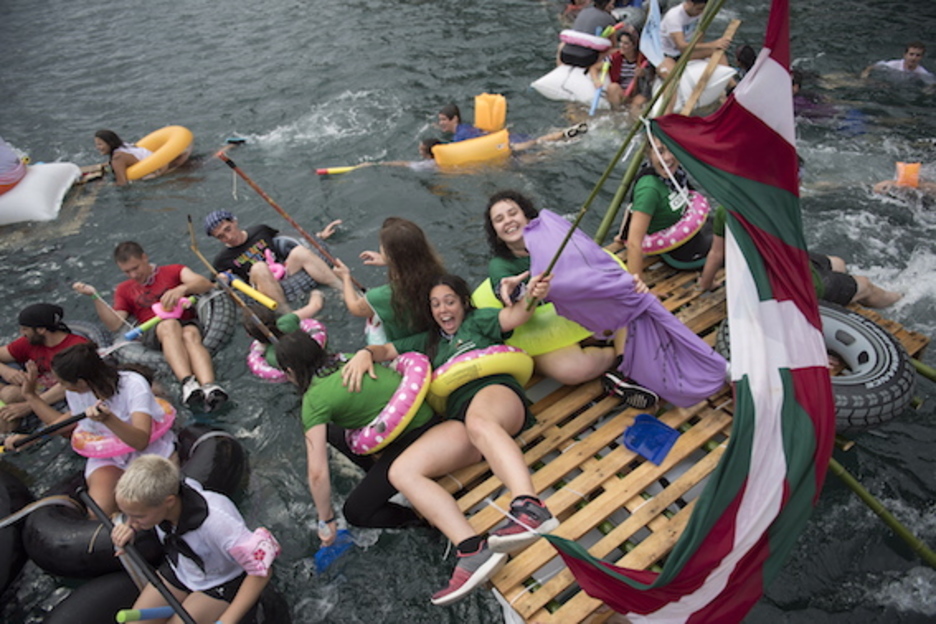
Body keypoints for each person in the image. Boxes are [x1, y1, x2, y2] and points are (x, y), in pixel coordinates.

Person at [341, 274, 560, 606]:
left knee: (479, 421)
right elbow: (385, 349)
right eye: (436, 304)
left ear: (463, 302)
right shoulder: (427, 341)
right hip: (462, 418)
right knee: (401, 471)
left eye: (450, 301)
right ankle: (472, 549)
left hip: (497, 397)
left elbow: (515, 316)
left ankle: (531, 506)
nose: (444, 309)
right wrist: (364, 354)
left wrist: (531, 296)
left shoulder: (479, 321)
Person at [484, 190, 658, 407]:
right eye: (499, 219)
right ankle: (624, 355)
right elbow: (510, 297)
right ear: (495, 232)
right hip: (543, 332)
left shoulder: (554, 239)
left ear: (526, 216)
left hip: (579, 314)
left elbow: (592, 270)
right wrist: (524, 291)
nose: (508, 221)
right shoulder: (500, 266)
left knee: (631, 300)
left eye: (512, 213)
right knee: (573, 370)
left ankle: (625, 374)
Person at [275, 331, 441, 538]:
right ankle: (377, 474)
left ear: (290, 371)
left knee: (356, 512)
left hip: (410, 444)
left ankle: (424, 522)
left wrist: (325, 519)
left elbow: (317, 473)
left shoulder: (313, 401)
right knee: (329, 430)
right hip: (430, 420)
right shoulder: (351, 358)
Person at [3, 343, 177, 516]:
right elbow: (67, 422)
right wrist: (32, 429)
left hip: (150, 452)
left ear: (81, 382)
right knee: (99, 511)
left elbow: (141, 441)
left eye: (63, 383)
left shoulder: (133, 386)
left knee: (144, 504)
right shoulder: (77, 392)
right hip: (108, 455)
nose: (61, 387)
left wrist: (108, 420)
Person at [111, 455, 277, 624]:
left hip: (222, 581)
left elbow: (262, 571)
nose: (131, 521)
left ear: (169, 502)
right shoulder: (164, 502)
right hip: (182, 570)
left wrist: (227, 620)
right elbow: (138, 517)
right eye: (128, 516)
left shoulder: (218, 523)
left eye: (138, 517)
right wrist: (131, 528)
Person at [73, 241, 227, 411]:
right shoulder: (124, 289)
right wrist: (95, 297)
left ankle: (209, 387)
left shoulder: (174, 270)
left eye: (136, 268)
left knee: (190, 334)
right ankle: (188, 383)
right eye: (127, 271)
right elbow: (115, 324)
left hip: (186, 323)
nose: (133, 275)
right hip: (155, 331)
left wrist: (181, 289)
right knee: (169, 325)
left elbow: (205, 284)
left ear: (144, 258)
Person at [699, 205, 902, 308]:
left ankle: (847, 293)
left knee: (838, 263)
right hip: (795, 286)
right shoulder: (778, 208)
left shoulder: (727, 208)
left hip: (782, 269)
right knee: (866, 286)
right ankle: (901, 298)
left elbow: (716, 253)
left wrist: (706, 284)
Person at [616, 135, 713, 283]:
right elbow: (634, 243)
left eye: (671, 149)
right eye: (660, 151)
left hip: (694, 234)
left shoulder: (675, 174)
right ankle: (708, 283)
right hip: (680, 253)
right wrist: (640, 292)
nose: (668, 158)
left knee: (733, 223)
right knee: (737, 244)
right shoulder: (649, 190)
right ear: (649, 153)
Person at [335, 217, 446, 344]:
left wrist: (345, 278)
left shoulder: (382, 296)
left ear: (392, 256)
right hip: (435, 333)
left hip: (404, 344)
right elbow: (411, 263)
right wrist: (387, 261)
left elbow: (355, 308)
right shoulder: (437, 273)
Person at [205, 210, 342, 312]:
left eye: (228, 229)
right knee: (259, 267)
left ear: (234, 221)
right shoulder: (222, 260)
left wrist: (319, 236)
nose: (229, 237)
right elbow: (212, 287)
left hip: (282, 272)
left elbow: (287, 239)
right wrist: (221, 280)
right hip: (259, 286)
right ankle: (289, 315)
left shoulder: (261, 231)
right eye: (221, 236)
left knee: (300, 252)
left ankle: (342, 289)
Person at [0, 303, 89, 432]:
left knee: (10, 395)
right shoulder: (29, 342)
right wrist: (6, 371)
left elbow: (70, 385)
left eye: (25, 329)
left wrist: (29, 405)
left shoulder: (76, 348)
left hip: (63, 397)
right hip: (36, 388)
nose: (22, 333)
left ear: (41, 329)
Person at [242, 289, 324, 370]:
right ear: (275, 319)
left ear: (249, 335)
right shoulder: (287, 321)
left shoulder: (272, 357)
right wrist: (316, 293)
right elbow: (316, 306)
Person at [657, 0, 731, 79]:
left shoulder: (700, 13)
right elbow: (681, 46)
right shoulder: (674, 17)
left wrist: (703, 53)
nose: (701, 12)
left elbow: (700, 36)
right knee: (671, 78)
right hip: (668, 55)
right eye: (699, 9)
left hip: (686, 53)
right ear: (689, 3)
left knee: (718, 53)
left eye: (703, 9)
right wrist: (712, 44)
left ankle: (732, 86)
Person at [604, 26, 653, 114]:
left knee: (636, 104)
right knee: (613, 87)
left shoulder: (643, 59)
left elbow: (652, 76)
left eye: (626, 43)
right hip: (622, 92)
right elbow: (595, 67)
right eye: (621, 42)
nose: (621, 46)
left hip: (638, 92)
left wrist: (644, 73)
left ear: (634, 45)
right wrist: (596, 80)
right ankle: (617, 113)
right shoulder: (616, 57)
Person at [557, 0, 617, 69]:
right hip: (586, 60)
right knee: (615, 51)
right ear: (605, 4)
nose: (613, 6)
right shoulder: (609, 19)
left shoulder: (584, 11)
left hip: (565, 56)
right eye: (612, 4)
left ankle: (559, 68)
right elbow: (613, 44)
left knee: (561, 45)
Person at [861, 41, 932, 79]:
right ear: (905, 55)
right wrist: (866, 72)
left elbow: (932, 83)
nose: (913, 58)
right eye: (911, 54)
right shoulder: (894, 64)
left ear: (921, 57)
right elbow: (872, 66)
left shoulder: (922, 72)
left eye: (918, 55)